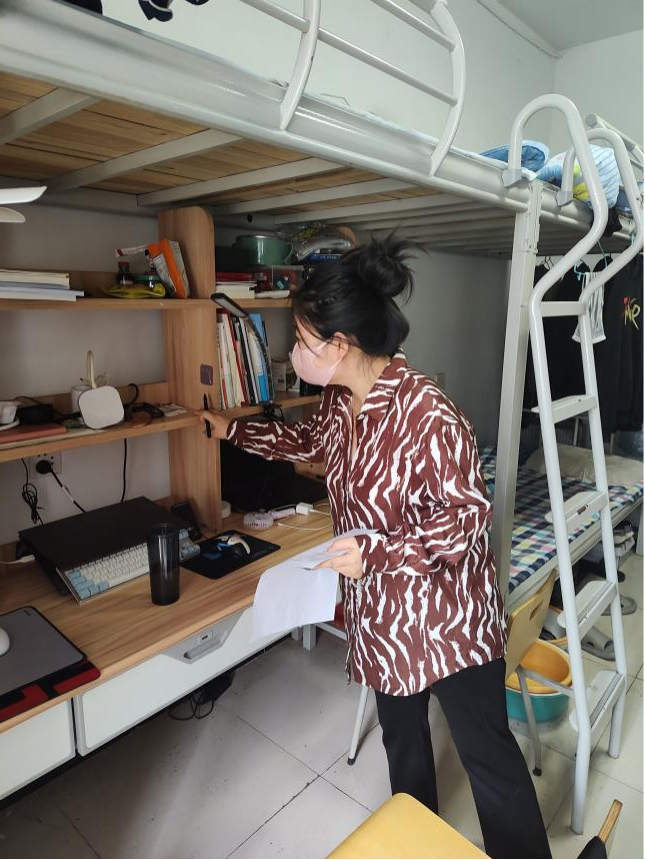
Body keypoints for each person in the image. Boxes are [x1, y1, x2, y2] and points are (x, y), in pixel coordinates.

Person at [202, 237, 551, 860]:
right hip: (384, 618)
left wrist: (379, 555)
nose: (293, 353)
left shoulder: (428, 413)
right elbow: (309, 444)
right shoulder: (340, 401)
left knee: (488, 759)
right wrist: (235, 431)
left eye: (301, 341)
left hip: (449, 620)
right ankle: (416, 844)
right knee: (403, 747)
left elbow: (465, 520)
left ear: (340, 344)